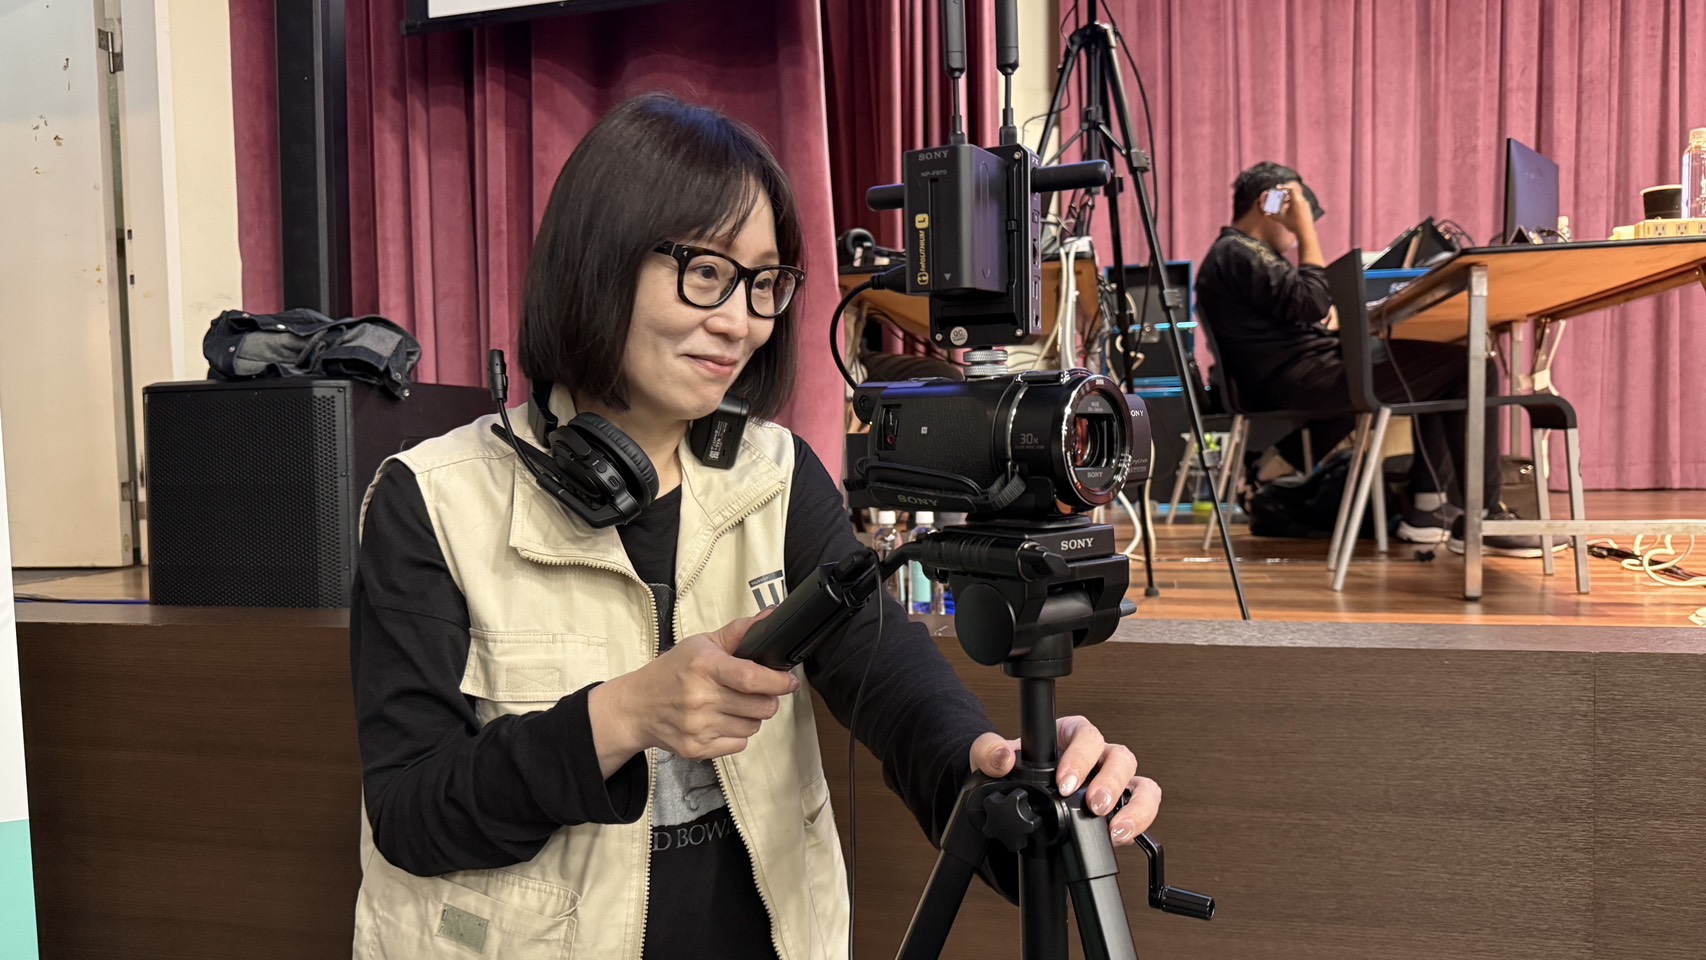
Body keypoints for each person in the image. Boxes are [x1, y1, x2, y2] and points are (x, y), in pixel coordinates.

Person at [348, 93, 1162, 959]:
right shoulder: (431, 498)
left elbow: (884, 671)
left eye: (766, 283)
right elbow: (410, 812)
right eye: (706, 272)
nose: (740, 320)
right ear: (598, 260)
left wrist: (995, 765)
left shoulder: (774, 476)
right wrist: (623, 716)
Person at [1194, 161, 1563, 557]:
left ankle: (1428, 508)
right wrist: (1306, 231)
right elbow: (1312, 300)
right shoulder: (1237, 251)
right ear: (1270, 202)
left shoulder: (1236, 254)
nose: (1302, 217)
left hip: (1298, 374)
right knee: (1470, 366)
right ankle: (1481, 517)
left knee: (1440, 368)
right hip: (1302, 380)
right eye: (1296, 205)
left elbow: (1296, 311)